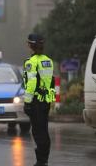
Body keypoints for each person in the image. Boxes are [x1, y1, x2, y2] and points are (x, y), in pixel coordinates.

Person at [23, 33, 56, 166]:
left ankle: (41, 161)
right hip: (45, 101)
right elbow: (50, 81)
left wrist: (27, 102)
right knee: (44, 130)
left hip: (36, 101)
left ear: (31, 45)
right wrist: (50, 99)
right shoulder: (48, 60)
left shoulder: (31, 62)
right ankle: (44, 159)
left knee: (37, 131)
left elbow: (31, 83)